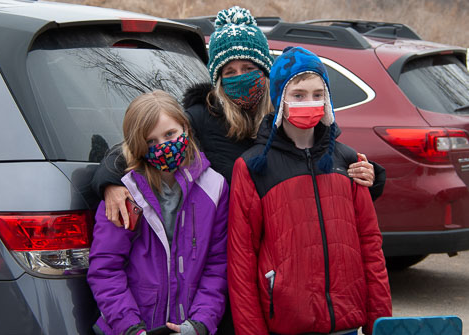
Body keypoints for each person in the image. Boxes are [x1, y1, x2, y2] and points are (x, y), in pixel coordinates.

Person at [90, 6, 384, 335]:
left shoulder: (287, 114)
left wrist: (371, 178)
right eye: (229, 71)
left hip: (285, 272)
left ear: (266, 71)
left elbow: (325, 163)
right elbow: (144, 140)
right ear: (216, 78)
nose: (239, 77)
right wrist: (111, 181)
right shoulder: (201, 119)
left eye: (248, 68)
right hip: (225, 267)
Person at [227, 47, 392, 335]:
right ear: (280, 99)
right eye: (299, 95)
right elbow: (241, 259)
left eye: (318, 94)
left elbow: (370, 246)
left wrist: (381, 324)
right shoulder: (253, 167)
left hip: (346, 321)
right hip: (288, 323)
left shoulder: (348, 160)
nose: (310, 102)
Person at [87, 90, 229, 335]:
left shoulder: (214, 187)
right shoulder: (126, 193)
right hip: (132, 327)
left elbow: (217, 265)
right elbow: (106, 268)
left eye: (170, 134)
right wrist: (130, 328)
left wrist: (200, 323)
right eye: (151, 142)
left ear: (185, 128)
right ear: (138, 145)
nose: (163, 146)